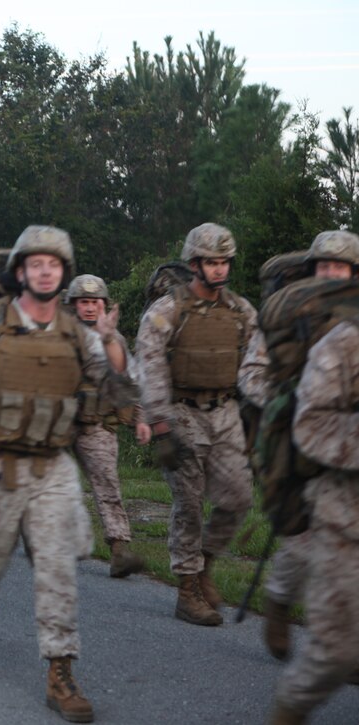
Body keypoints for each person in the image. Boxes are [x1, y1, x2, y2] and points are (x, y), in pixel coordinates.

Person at [0, 226, 136, 723]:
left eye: (54, 264)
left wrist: (110, 344)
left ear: (62, 273)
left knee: (59, 567)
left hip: (53, 467)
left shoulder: (76, 332)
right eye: (36, 264)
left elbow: (114, 391)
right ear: (21, 272)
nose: (45, 271)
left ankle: (61, 670)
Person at [135, 222, 258, 627]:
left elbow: (259, 363)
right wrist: (161, 424)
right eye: (211, 262)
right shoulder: (168, 310)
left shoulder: (241, 311)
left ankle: (204, 565)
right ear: (195, 264)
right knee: (188, 504)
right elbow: (150, 366)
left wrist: (265, 409)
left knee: (238, 498)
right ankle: (187, 589)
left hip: (225, 414)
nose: (219, 269)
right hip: (181, 413)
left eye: (224, 262)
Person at [252, 230, 359, 663]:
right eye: (324, 266)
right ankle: (279, 601)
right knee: (301, 539)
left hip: (349, 439)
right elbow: (253, 374)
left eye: (340, 267)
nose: (331, 274)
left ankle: (342, 643)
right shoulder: (286, 311)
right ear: (312, 268)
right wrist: (289, 397)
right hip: (299, 438)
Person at [267, 302, 359, 724]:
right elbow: (311, 425)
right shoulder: (343, 343)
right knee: (335, 652)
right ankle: (291, 709)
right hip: (348, 518)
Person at [65, 275, 147, 578]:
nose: (89, 308)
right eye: (83, 302)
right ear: (73, 305)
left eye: (95, 302)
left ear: (104, 304)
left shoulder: (115, 340)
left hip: (96, 424)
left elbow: (130, 382)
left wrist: (140, 420)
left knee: (108, 486)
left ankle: (119, 549)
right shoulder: (57, 334)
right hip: (58, 424)